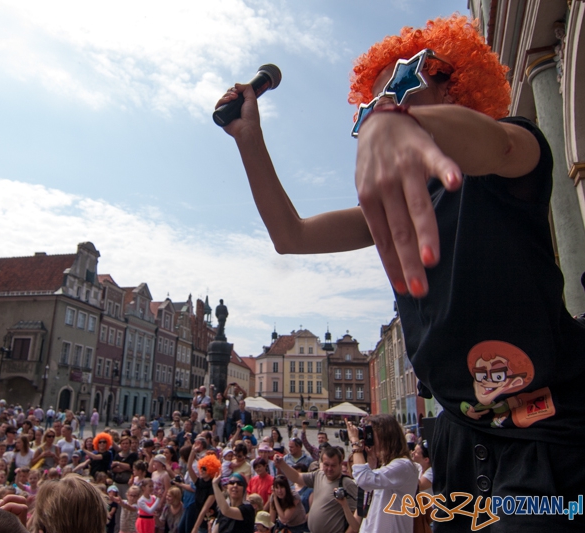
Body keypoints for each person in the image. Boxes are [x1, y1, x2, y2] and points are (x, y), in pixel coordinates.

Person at [217, 13, 585, 530]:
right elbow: (291, 236)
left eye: (403, 82)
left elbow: (495, 145)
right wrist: (248, 140)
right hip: (460, 441)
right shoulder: (395, 208)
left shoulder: (511, 150)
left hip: (545, 434)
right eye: (373, 102)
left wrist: (393, 120)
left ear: (450, 80)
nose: (387, 104)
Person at [347, 416, 417, 533]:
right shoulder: (388, 465)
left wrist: (355, 443)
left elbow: (364, 479)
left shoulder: (403, 465)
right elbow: (367, 496)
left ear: (385, 435)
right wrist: (372, 466)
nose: (369, 437)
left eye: (371, 432)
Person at [275, 446, 358, 533]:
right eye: (326, 465)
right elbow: (296, 477)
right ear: (321, 463)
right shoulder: (319, 475)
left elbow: (356, 518)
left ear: (340, 464)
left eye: (333, 465)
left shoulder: (347, 484)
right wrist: (282, 464)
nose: (329, 469)